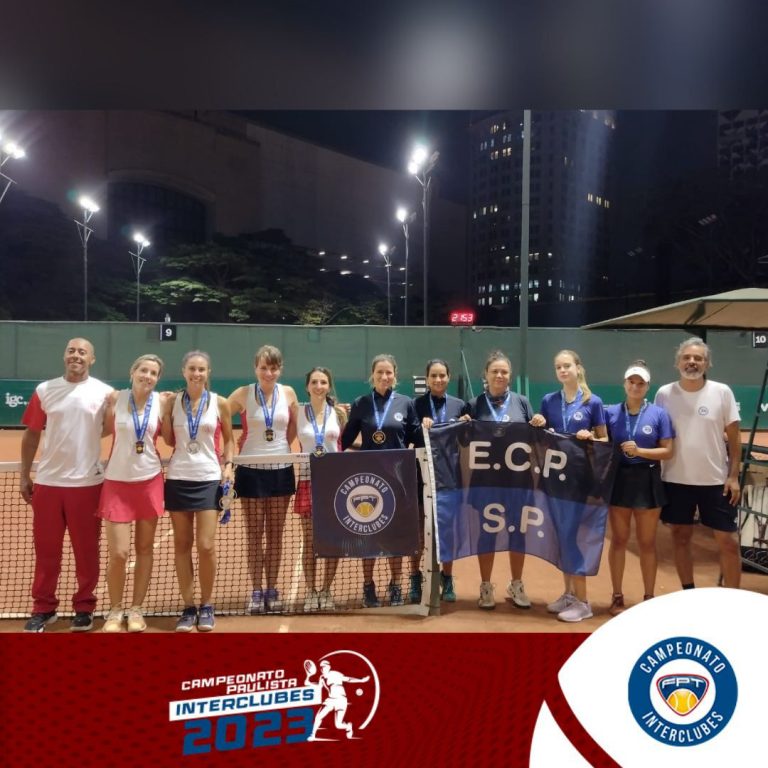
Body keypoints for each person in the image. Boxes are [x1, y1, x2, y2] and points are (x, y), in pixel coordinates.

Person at [19, 338, 113, 632]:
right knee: (46, 551)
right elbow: (31, 434)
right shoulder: (45, 390)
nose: (76, 355)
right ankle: (43, 608)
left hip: (87, 485)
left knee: (87, 552)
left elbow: (111, 429)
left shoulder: (104, 393)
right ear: (64, 356)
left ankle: (84, 607)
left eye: (82, 352)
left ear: (92, 359)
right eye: (71, 351)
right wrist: (24, 474)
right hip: (48, 483)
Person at [653, 337, 742, 589]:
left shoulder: (722, 392)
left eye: (698, 358)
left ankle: (733, 598)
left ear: (707, 363)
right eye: (687, 357)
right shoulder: (664, 394)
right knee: (680, 537)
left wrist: (733, 476)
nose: (692, 362)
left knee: (728, 542)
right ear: (677, 362)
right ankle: (688, 592)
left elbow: (735, 439)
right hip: (675, 480)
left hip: (716, 482)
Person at [530, 349, 607, 622]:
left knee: (573, 537)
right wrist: (538, 423)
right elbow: (541, 438)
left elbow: (604, 440)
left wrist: (590, 437)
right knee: (562, 536)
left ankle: (584, 602)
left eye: (567, 366)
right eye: (558, 367)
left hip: (580, 480)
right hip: (554, 478)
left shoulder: (593, 402)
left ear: (578, 368)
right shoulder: (548, 401)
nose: (562, 371)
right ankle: (569, 594)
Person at [162, 350, 234, 632]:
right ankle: (189, 606)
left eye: (201, 369)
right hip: (178, 478)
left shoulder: (219, 402)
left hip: (208, 479)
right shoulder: (173, 402)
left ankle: (206, 604)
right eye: (192, 368)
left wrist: (228, 466)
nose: (196, 373)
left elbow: (229, 440)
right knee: (182, 545)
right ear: (184, 371)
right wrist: (165, 411)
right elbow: (169, 440)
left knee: (206, 545)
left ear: (208, 372)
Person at [340, 354, 420, 607]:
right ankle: (368, 586)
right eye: (379, 373)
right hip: (369, 482)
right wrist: (334, 418)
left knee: (396, 535)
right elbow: (344, 439)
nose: (384, 377)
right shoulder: (361, 403)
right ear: (372, 375)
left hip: (398, 480)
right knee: (370, 535)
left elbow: (416, 437)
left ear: (395, 375)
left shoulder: (406, 403)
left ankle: (396, 585)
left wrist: (428, 425)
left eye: (389, 372)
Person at [99, 354, 172, 632]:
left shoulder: (162, 402)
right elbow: (103, 431)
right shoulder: (115, 398)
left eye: (153, 373)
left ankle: (137, 609)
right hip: (116, 483)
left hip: (149, 481)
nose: (147, 376)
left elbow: (169, 438)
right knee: (119, 553)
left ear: (158, 378)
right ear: (133, 372)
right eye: (143, 370)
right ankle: (115, 609)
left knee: (144, 550)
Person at [462, 350, 537, 610]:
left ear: (510, 375)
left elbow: (534, 438)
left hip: (517, 482)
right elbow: (464, 441)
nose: (499, 375)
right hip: (486, 482)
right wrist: (463, 425)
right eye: (495, 371)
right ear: (486, 374)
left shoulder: (522, 403)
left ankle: (516, 584)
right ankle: (486, 586)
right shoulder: (473, 405)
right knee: (487, 534)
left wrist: (539, 422)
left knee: (517, 533)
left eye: (504, 371)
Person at [228, 345, 298, 614]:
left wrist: (281, 448)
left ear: (280, 369)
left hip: (281, 470)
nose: (269, 373)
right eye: (264, 367)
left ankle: (272, 589)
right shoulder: (243, 394)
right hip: (250, 471)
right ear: (255, 368)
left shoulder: (288, 393)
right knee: (255, 534)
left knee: (276, 535)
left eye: (274, 368)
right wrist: (231, 449)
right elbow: (219, 415)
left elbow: (293, 425)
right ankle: (256, 591)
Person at [604, 361, 675, 615]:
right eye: (631, 382)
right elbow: (601, 443)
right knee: (619, 540)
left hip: (647, 479)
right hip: (619, 480)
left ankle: (649, 598)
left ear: (647, 386)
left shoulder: (658, 414)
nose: (635, 386)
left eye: (640, 383)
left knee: (647, 542)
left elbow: (668, 451)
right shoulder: (610, 413)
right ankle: (617, 596)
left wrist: (640, 451)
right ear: (624, 384)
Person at [412, 359, 469, 603]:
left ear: (448, 377)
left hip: (450, 478)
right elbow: (410, 436)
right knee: (418, 531)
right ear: (427, 379)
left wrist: (467, 425)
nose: (438, 380)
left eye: (442, 375)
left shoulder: (459, 405)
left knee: (447, 530)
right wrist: (421, 427)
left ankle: (447, 578)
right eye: (433, 375)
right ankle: (415, 578)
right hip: (421, 477)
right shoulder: (416, 405)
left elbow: (466, 442)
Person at [295, 366, 347, 611]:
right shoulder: (297, 412)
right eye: (314, 382)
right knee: (310, 540)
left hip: (334, 483)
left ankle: (326, 591)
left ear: (329, 385)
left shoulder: (339, 413)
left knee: (332, 539)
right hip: (307, 481)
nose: (318, 386)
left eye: (323, 382)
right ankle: (310, 592)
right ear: (307, 386)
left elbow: (342, 444)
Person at [307, 659, 370, 741]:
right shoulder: (321, 678)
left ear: (329, 667)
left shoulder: (335, 674)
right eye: (321, 667)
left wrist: (361, 680)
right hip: (330, 700)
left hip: (341, 700)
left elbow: (348, 679)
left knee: (338, 725)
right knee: (318, 716)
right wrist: (309, 683)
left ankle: (348, 726)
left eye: (324, 667)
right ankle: (312, 735)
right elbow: (319, 686)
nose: (322, 669)